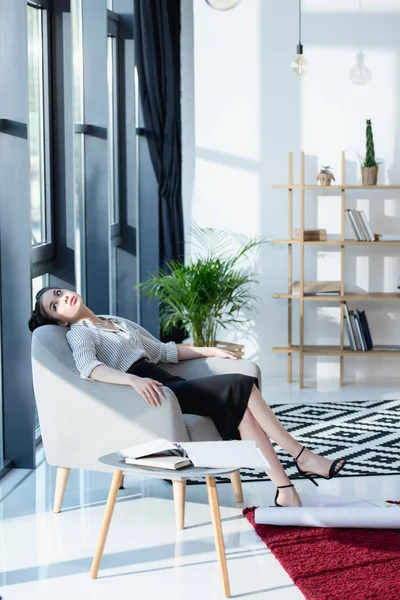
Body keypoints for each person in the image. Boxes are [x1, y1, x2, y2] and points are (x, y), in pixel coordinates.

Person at [29, 287, 346, 507]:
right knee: (243, 384)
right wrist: (132, 381)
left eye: (58, 293)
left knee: (245, 415)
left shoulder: (118, 323)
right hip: (158, 393)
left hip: (172, 383)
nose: (62, 299)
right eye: (55, 305)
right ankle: (301, 456)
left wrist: (210, 349)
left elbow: (164, 351)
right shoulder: (80, 333)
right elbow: (89, 368)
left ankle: (285, 491)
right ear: (59, 320)